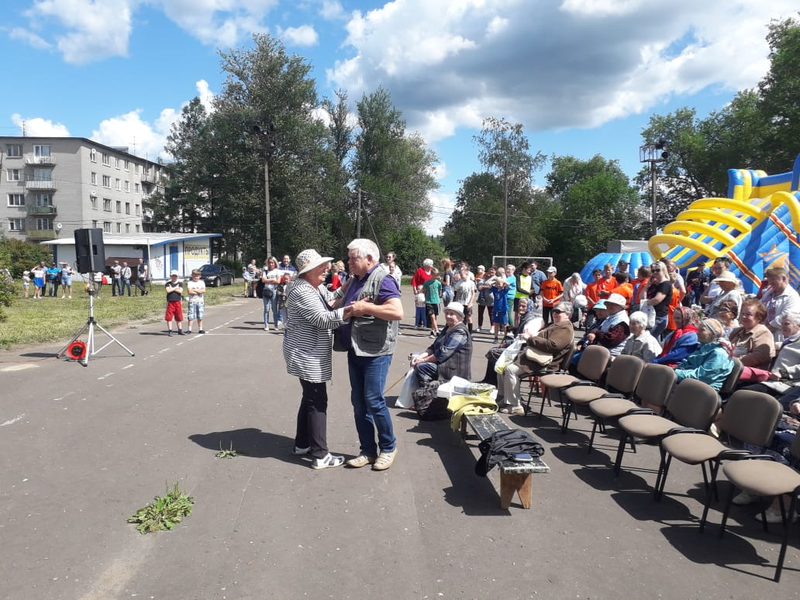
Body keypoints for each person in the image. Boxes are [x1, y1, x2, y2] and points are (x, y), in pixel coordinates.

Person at [337, 238, 403, 472]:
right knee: (359, 402)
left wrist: (365, 308)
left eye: (353, 258)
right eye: (349, 258)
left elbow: (397, 311)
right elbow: (342, 302)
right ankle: (367, 450)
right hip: (356, 348)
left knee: (374, 400)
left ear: (369, 259)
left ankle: (388, 447)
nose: (349, 262)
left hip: (377, 351)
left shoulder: (383, 279)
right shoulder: (355, 279)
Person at [283, 249, 351, 470]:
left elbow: (329, 298)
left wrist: (347, 287)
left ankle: (302, 444)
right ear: (308, 271)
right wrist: (352, 311)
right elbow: (323, 319)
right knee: (317, 401)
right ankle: (321, 455)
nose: (326, 269)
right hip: (306, 353)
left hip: (309, 351)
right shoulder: (302, 290)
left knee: (309, 397)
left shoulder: (313, 286)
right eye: (321, 266)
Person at [495, 301, 574, 414]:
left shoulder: (565, 328)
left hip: (547, 361)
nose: (554, 314)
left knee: (510, 370)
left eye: (558, 312)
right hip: (538, 356)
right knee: (502, 366)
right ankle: (505, 399)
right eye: (553, 311)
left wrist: (530, 338)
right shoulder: (556, 325)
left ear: (568, 315)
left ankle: (515, 405)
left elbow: (552, 346)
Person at [739, 312, 800, 398]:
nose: (782, 327)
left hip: (786, 383)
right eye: (782, 324)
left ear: (798, 325)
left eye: (786, 324)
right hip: (770, 380)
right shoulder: (788, 341)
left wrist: (783, 373)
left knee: (742, 395)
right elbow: (780, 345)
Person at [411, 301, 472, 384]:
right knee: (416, 360)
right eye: (447, 313)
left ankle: (427, 390)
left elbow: (443, 353)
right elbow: (433, 347)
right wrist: (420, 357)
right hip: (444, 364)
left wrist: (423, 360)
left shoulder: (460, 331)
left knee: (421, 367)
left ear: (460, 316)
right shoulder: (448, 327)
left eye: (452, 314)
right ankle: (426, 388)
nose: (448, 316)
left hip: (454, 370)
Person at [674, 318, 735, 390]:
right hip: (687, 384)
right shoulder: (702, 347)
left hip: (703, 391)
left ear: (713, 334)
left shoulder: (719, 354)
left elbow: (702, 376)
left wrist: (675, 373)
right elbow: (686, 365)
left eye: (702, 330)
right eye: (698, 330)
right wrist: (674, 370)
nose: (697, 333)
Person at [727, 299, 775, 370]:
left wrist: (732, 362)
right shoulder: (736, 331)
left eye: (748, 314)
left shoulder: (763, 333)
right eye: (742, 314)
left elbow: (759, 356)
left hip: (746, 371)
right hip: (729, 367)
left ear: (759, 318)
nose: (744, 317)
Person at [760, 267, 800, 342]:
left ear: (783, 278)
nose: (770, 283)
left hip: (779, 336)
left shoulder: (792, 296)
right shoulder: (768, 293)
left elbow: (787, 316)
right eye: (769, 280)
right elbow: (759, 307)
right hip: (764, 333)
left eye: (773, 280)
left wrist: (767, 328)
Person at [585, 292, 630, 357]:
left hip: (612, 355)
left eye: (613, 304)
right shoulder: (610, 317)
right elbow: (600, 330)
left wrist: (596, 332)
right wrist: (593, 334)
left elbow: (610, 341)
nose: (609, 306)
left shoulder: (622, 321)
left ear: (621, 307)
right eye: (608, 304)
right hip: (601, 351)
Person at [643, 261, 673, 339]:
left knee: (648, 339)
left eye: (657, 270)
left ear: (663, 270)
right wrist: (646, 286)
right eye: (653, 271)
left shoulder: (665, 284)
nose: (655, 272)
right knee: (654, 341)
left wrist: (645, 303)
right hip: (651, 314)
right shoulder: (654, 284)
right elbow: (641, 297)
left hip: (659, 316)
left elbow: (657, 300)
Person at [261, 256, 282, 331]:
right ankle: (266, 325)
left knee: (274, 309)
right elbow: (263, 280)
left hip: (274, 291)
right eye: (269, 263)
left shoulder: (277, 271)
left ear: (275, 263)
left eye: (272, 262)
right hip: (266, 290)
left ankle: (275, 325)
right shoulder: (265, 271)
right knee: (266, 309)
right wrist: (272, 280)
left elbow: (278, 281)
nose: (271, 264)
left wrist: (269, 280)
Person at [455, 266, 477, 333]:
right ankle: (461, 330)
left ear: (467, 274)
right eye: (460, 275)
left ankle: (470, 332)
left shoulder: (471, 283)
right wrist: (456, 302)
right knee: (460, 317)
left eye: (462, 275)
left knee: (468, 317)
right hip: (460, 302)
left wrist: (470, 303)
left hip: (467, 302)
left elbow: (473, 294)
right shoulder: (459, 283)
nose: (461, 276)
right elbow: (457, 293)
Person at [490, 267, 509, 343]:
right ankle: (496, 337)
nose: (498, 285)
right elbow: (490, 285)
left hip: (503, 309)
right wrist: (495, 282)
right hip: (496, 309)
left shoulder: (504, 290)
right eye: (497, 284)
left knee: (504, 324)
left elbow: (507, 285)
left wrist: (503, 282)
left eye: (499, 283)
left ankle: (506, 337)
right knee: (496, 323)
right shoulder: (495, 290)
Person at [164, 270, 185, 336]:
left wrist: (172, 288)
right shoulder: (168, 284)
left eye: (175, 276)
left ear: (177, 276)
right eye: (173, 276)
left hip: (177, 301)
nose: (174, 277)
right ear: (170, 276)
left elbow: (180, 291)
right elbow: (168, 290)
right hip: (170, 302)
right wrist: (175, 288)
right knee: (169, 317)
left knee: (179, 316)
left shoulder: (180, 283)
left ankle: (180, 330)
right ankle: (170, 330)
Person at [423, 268, 442, 337]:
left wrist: (439, 297)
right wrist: (425, 299)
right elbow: (425, 292)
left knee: (435, 317)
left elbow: (440, 292)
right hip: (429, 301)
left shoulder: (438, 283)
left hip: (436, 302)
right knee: (432, 317)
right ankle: (437, 330)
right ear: (431, 274)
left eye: (437, 275)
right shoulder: (426, 283)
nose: (437, 276)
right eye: (435, 275)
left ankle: (432, 330)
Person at [186, 269, 206, 334]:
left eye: (197, 276)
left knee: (200, 316)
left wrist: (194, 290)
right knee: (190, 316)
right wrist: (198, 291)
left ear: (199, 276)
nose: (196, 277)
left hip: (200, 301)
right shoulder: (190, 283)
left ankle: (200, 329)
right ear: (192, 275)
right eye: (194, 276)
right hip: (192, 301)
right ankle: (189, 329)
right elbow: (189, 291)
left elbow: (203, 290)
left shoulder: (202, 282)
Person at [476, 265, 495, 333]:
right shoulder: (484, 277)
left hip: (491, 298)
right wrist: (480, 285)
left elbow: (492, 287)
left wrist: (483, 286)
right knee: (480, 313)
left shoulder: (496, 278)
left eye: (493, 270)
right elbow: (479, 285)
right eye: (490, 269)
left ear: (495, 271)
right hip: (482, 297)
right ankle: (479, 326)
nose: (491, 271)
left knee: (491, 313)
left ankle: (492, 327)